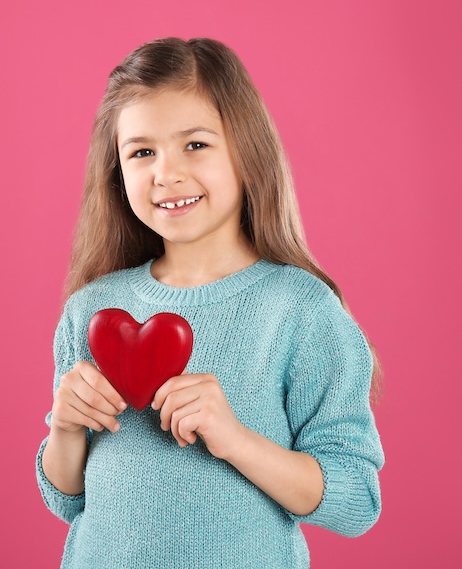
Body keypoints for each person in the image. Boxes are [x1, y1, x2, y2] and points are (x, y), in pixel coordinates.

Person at [36, 37, 384, 568]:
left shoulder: (299, 310)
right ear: (117, 170)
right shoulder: (91, 311)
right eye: (141, 152)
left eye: (194, 144)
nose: (166, 173)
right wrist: (63, 427)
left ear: (245, 149)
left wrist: (236, 440)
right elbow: (67, 498)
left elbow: (356, 499)